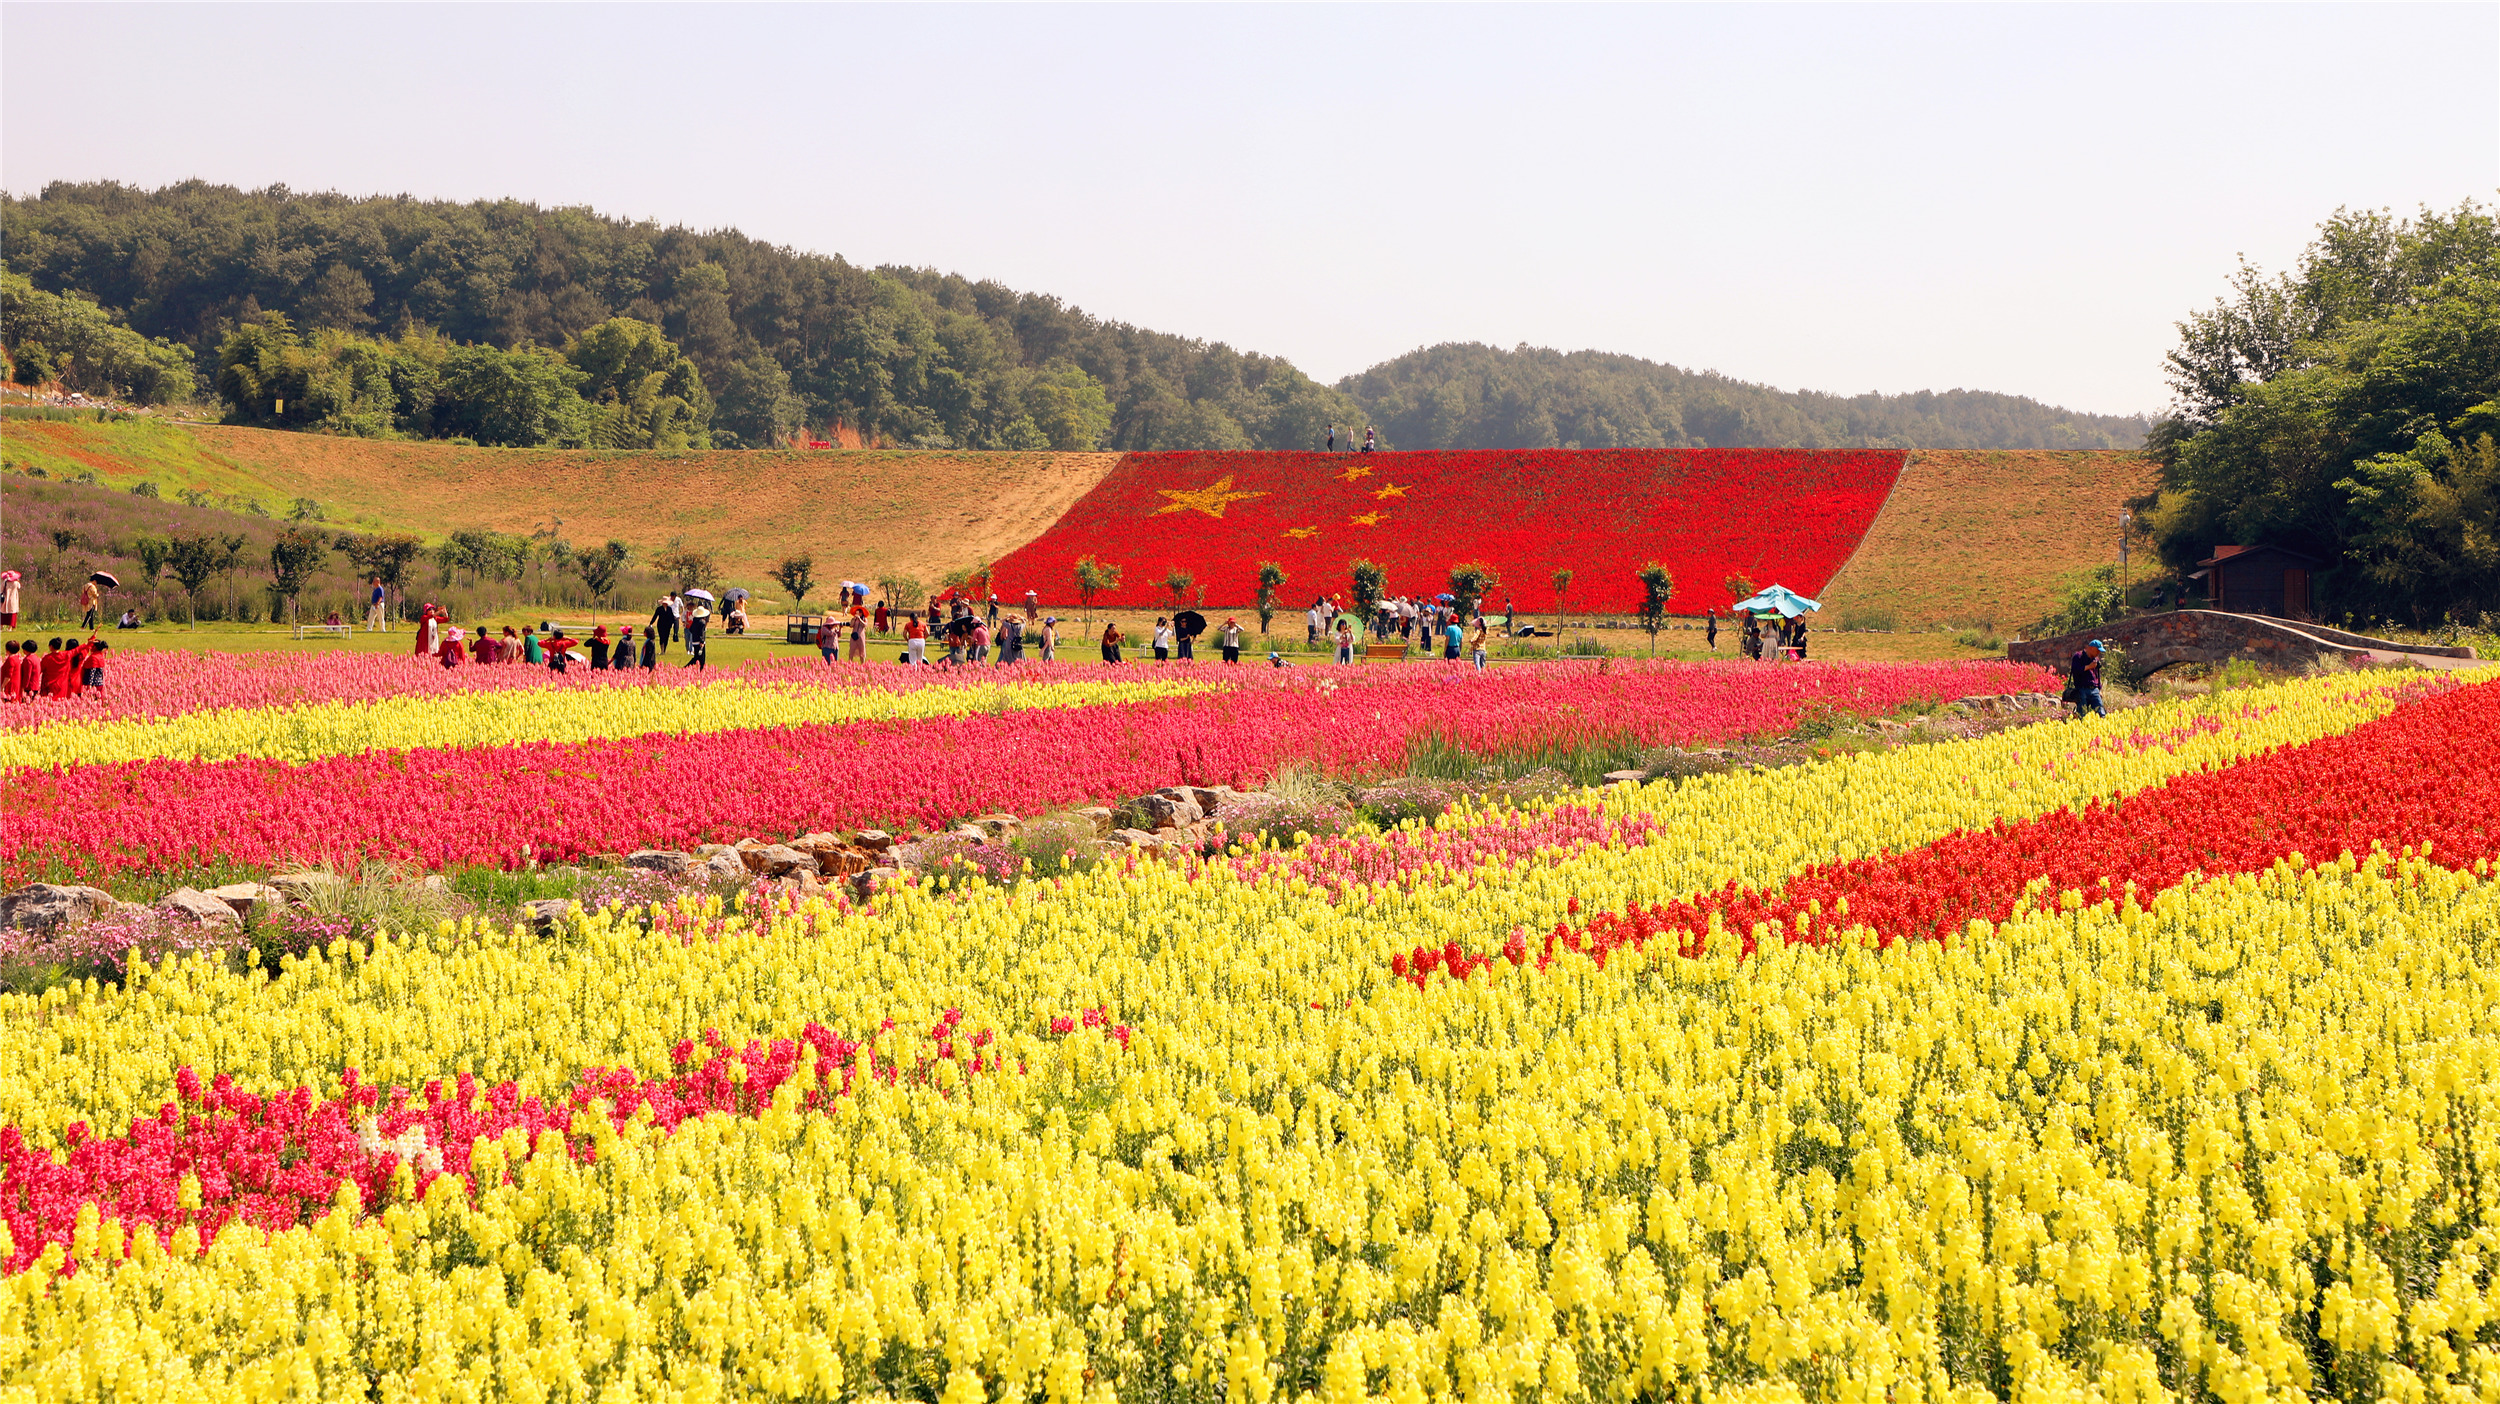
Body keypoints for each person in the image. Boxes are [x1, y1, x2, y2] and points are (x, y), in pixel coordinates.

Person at [2069, 640, 2106, 719]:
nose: (2098, 653)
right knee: (2082, 714)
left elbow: (2097, 675)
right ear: (2091, 648)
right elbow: (2075, 670)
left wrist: (2099, 689)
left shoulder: (2096, 659)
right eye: (2098, 650)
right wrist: (2089, 667)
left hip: (2094, 690)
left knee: (2101, 713)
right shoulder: (2078, 656)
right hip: (2081, 689)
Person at [682, 605, 709, 670]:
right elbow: (702, 633)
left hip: (694, 641)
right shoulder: (702, 622)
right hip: (700, 642)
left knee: (696, 657)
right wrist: (702, 641)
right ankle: (688, 668)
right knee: (701, 658)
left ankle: (688, 668)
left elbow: (691, 629)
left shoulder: (695, 621)